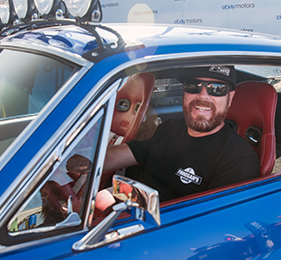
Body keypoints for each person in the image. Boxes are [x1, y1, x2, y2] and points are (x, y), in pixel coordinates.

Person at [103, 66, 260, 202]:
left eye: (217, 89)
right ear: (184, 93)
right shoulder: (168, 128)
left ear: (230, 98)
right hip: (136, 204)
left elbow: (208, 224)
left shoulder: (238, 159)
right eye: (193, 86)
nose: (202, 96)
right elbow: (113, 158)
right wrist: (82, 159)